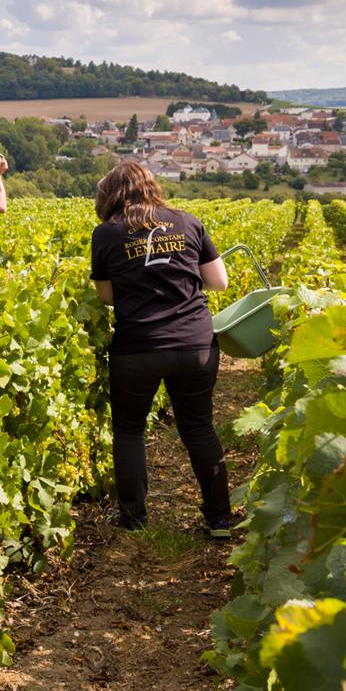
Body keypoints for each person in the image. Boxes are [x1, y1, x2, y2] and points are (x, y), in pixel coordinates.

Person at [89, 162, 237, 538]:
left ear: (111, 194)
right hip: (194, 343)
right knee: (199, 427)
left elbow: (106, 296)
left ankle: (134, 519)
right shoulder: (188, 221)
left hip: (138, 346)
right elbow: (219, 282)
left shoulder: (106, 233)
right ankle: (219, 519)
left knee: (128, 430)